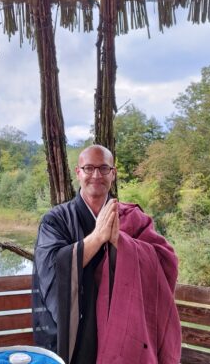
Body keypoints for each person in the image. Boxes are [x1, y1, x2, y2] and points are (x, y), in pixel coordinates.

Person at [32, 145, 181, 364]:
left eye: (103, 168)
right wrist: (97, 238)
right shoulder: (56, 220)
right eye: (89, 168)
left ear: (113, 173)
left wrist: (121, 242)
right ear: (78, 172)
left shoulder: (132, 217)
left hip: (123, 326)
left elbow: (165, 261)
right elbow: (51, 267)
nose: (96, 175)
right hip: (78, 330)